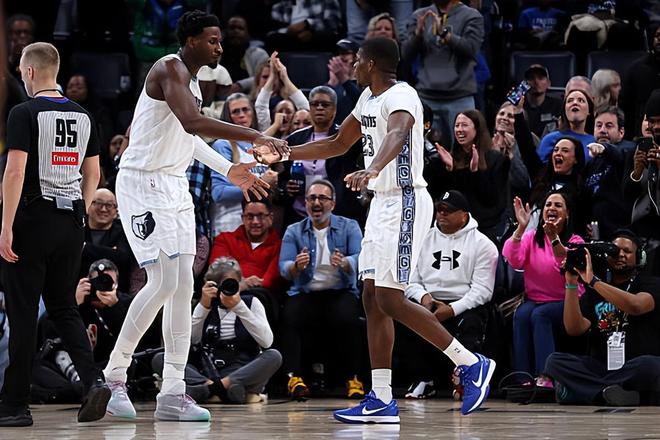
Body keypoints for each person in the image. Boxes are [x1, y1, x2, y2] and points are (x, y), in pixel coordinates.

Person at [255, 37, 495, 422]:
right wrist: (285, 151)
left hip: (406, 199)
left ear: (370, 63)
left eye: (357, 61)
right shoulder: (367, 98)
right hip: (382, 203)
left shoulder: (403, 96)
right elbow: (337, 142)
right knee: (371, 297)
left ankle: (470, 363)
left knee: (390, 298)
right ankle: (381, 397)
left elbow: (397, 134)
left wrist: (374, 168)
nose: (352, 66)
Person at [101, 11, 287, 422]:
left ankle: (172, 392)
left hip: (174, 184)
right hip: (141, 182)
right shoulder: (169, 68)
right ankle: (113, 375)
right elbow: (192, 122)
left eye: (220, 41)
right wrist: (256, 135)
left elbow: (189, 136)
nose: (219, 47)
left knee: (183, 285)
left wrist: (229, 169)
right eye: (211, 40)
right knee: (163, 281)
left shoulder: (196, 82)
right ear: (190, 42)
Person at [0, 42, 109, 426]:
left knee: (23, 311)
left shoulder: (23, 112)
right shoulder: (84, 115)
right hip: (70, 221)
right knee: (64, 307)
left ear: (29, 72)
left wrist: (5, 226)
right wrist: (80, 213)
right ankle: (93, 381)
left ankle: (15, 405)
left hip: (32, 218)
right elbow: (93, 174)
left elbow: (15, 172)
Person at [546, 230, 660, 406]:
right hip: (604, 367)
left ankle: (589, 392)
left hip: (635, 366)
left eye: (627, 251)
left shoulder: (650, 283)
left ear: (639, 257)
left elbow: (636, 306)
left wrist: (593, 282)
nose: (620, 255)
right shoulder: (594, 293)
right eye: (615, 251)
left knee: (650, 365)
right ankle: (618, 394)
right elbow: (574, 328)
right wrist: (571, 283)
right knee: (554, 362)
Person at [403, 191, 498, 399]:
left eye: (448, 211)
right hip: (428, 299)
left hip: (463, 302)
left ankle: (464, 380)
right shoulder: (421, 239)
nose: (442, 214)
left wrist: (452, 309)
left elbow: (482, 291)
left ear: (464, 215)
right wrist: (424, 298)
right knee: (405, 313)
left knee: (472, 322)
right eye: (439, 209)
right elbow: (410, 279)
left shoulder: (483, 244)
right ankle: (423, 379)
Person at [151, 257, 282, 404]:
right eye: (221, 285)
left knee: (274, 356)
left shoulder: (251, 302)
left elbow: (267, 341)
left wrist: (239, 307)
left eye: (231, 284)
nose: (226, 289)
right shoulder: (205, 305)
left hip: (242, 370)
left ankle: (210, 391)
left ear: (240, 283)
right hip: (209, 370)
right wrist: (203, 307)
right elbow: (191, 341)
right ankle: (226, 391)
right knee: (160, 358)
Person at [278, 180, 364, 400]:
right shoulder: (294, 230)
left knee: (349, 318)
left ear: (332, 204)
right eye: (311, 198)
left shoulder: (350, 226)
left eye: (322, 198)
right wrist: (296, 266)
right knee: (290, 316)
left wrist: (345, 262)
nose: (316, 202)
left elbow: (361, 257)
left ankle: (353, 378)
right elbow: (284, 267)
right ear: (306, 203)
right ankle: (294, 378)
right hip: (306, 292)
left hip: (340, 290)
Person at [502, 190, 584, 387]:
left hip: (568, 301)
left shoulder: (576, 241)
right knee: (522, 315)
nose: (551, 208)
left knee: (540, 315)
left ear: (567, 213)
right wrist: (521, 228)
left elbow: (562, 266)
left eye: (558, 205)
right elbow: (513, 259)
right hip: (536, 299)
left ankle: (547, 376)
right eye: (548, 205)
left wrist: (554, 237)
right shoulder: (531, 238)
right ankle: (523, 378)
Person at [402, 0, 484, 147]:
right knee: (422, 151)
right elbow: (405, 55)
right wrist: (417, 35)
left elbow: (471, 49)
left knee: (464, 151)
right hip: (426, 97)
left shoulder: (472, 16)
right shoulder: (420, 15)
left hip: (459, 97)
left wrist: (445, 34)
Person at [80, 189, 134, 292]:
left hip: (115, 294)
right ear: (88, 205)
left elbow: (123, 257)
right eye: (98, 203)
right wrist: (110, 252)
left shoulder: (125, 232)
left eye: (109, 205)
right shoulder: (79, 229)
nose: (103, 209)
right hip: (80, 292)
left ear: (116, 211)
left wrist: (85, 247)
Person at [523, 64, 563, 138]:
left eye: (540, 78)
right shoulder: (517, 106)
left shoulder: (558, 105)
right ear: (525, 84)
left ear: (548, 83)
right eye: (531, 78)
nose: (536, 82)